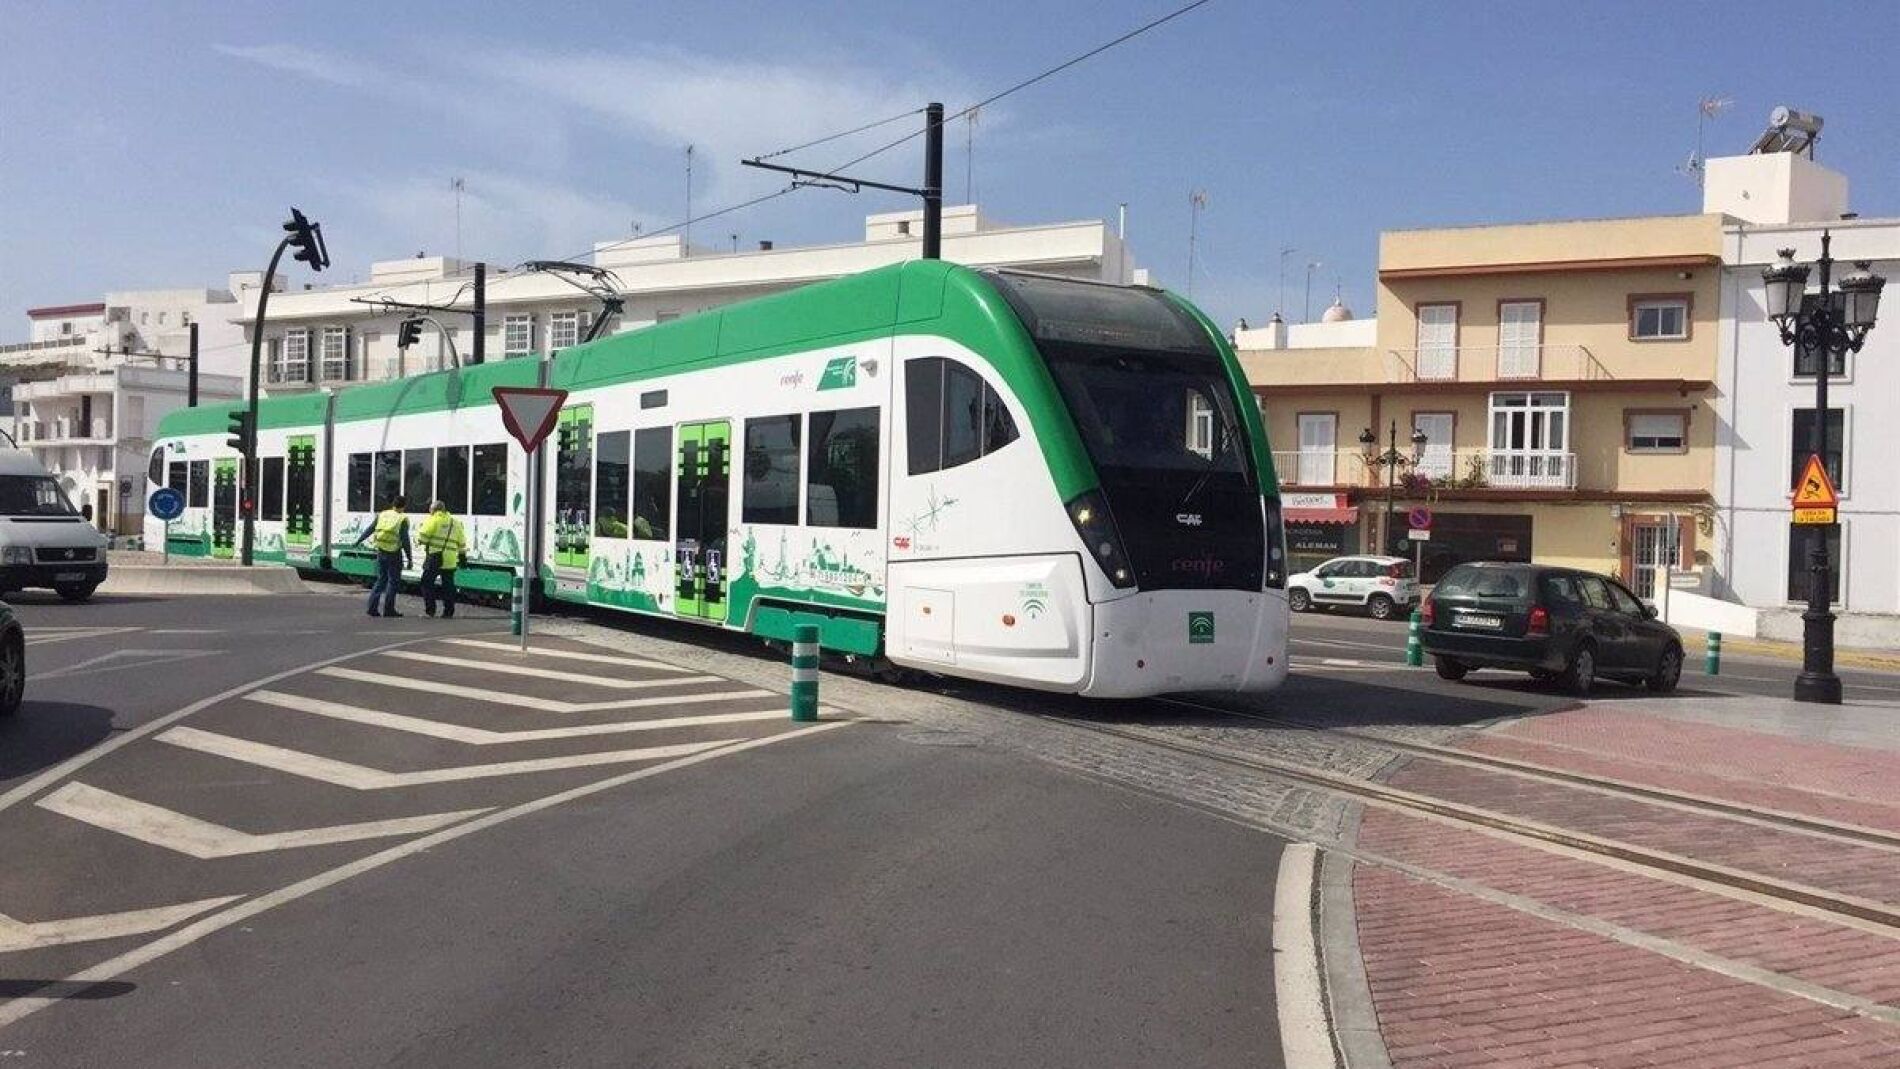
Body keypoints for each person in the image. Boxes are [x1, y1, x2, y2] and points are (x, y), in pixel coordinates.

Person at [354, 496, 411, 617]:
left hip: (381, 551)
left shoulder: (382, 515)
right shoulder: (402, 519)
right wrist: (409, 557)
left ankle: (372, 607)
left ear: (393, 504)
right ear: (404, 506)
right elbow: (405, 540)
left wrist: (358, 541)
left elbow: (370, 529)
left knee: (381, 580)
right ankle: (389, 609)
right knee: (393, 582)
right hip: (394, 553)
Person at [416, 498, 466, 619]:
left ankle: (430, 610)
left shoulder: (433, 520)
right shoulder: (456, 523)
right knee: (448, 586)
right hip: (450, 559)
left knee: (426, 583)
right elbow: (462, 542)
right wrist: (462, 556)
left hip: (435, 557)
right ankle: (448, 612)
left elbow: (422, 537)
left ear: (434, 510)